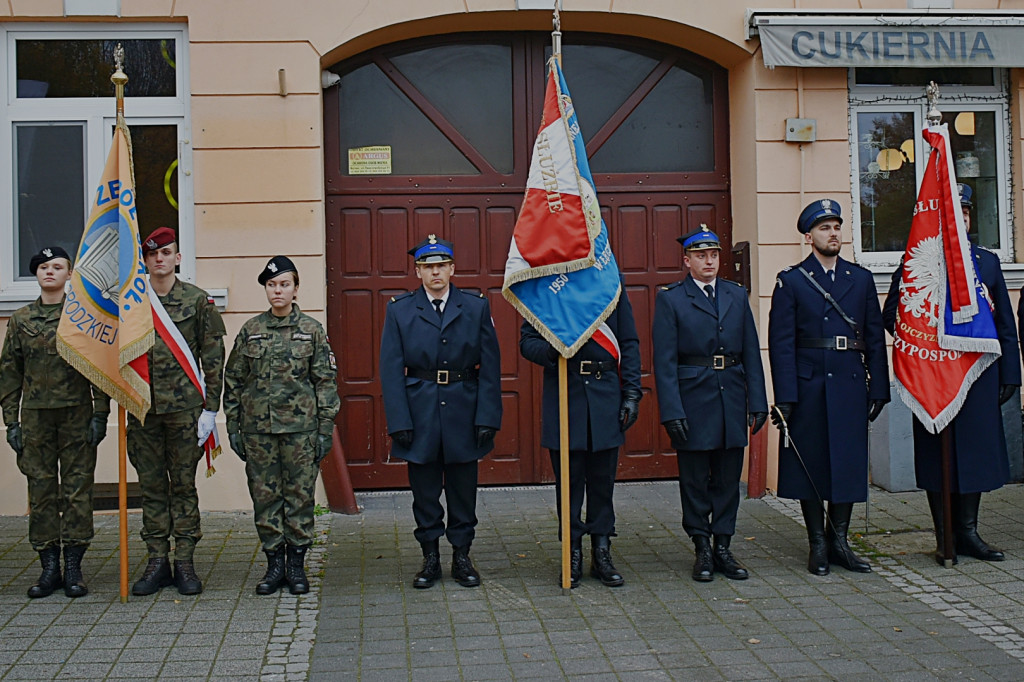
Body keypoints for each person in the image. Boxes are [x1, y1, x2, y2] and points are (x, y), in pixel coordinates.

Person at [883, 184, 1020, 565]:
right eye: (952, 213)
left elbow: (1004, 325)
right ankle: (944, 535)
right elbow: (895, 312)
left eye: (965, 213)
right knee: (936, 457)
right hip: (933, 375)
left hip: (977, 375)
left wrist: (1012, 374)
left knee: (974, 455)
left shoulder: (986, 262)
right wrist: (928, 347)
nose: (960, 218)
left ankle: (969, 533)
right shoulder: (920, 259)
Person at [768, 199, 890, 576]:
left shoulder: (861, 279)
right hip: (810, 386)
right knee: (813, 466)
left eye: (837, 226)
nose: (833, 233)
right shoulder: (791, 281)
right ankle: (817, 544)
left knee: (847, 465)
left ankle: (840, 541)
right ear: (809, 236)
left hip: (850, 383)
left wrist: (879, 389)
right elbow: (781, 344)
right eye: (824, 228)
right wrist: (786, 397)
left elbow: (873, 336)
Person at [379, 236, 501, 589]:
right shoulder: (400, 310)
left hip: (465, 408)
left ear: (452, 269)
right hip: (420, 413)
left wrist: (488, 416)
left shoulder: (475, 307)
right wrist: (399, 420)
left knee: (464, 489)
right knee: (425, 490)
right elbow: (391, 370)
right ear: (417, 271)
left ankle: (462, 556)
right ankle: (430, 556)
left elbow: (491, 366)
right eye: (427, 266)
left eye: (441, 266)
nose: (435, 272)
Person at [653, 228, 768, 582]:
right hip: (693, 399)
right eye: (701, 256)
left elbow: (751, 350)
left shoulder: (736, 295)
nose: (709, 262)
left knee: (727, 479)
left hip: (731, 397)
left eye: (714, 255)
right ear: (687, 261)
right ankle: (701, 545)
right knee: (695, 481)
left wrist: (758, 401)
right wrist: (672, 410)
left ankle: (723, 546)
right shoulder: (671, 299)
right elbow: (665, 361)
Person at [224, 256, 340, 595]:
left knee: (300, 497)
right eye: (272, 285)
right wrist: (233, 426)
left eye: (284, 284)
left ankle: (297, 565)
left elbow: (325, 382)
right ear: (266, 289)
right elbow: (234, 380)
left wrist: (324, 429)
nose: (278, 290)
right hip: (259, 432)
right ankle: (274, 564)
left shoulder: (312, 331)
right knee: (265, 498)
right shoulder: (251, 330)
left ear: (296, 289)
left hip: (301, 432)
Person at [1, 247, 109, 598]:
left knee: (77, 491)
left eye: (57, 266)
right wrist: (11, 422)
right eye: (44, 267)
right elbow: (9, 374)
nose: (50, 272)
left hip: (76, 415)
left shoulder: (81, 317)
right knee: (42, 491)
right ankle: (49, 567)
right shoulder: (21, 320)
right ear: (36, 274)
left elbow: (99, 368)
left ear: (69, 274)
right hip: (36, 419)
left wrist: (100, 414)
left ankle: (74, 567)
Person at [519, 279, 642, 588]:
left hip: (605, 395)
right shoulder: (547, 287)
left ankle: (602, 551)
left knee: (603, 483)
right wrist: (552, 349)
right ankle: (571, 552)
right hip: (566, 392)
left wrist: (632, 394)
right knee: (569, 485)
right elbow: (526, 341)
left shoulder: (609, 283)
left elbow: (628, 341)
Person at [128, 226, 226, 596]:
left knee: (183, 487)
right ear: (145, 260)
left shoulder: (198, 301)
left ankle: (184, 561)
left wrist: (210, 410)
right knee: (152, 488)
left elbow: (213, 358)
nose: (159, 259)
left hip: (185, 411)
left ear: (177, 258)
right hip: (143, 411)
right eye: (152, 254)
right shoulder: (132, 303)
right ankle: (157, 561)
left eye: (165, 253)